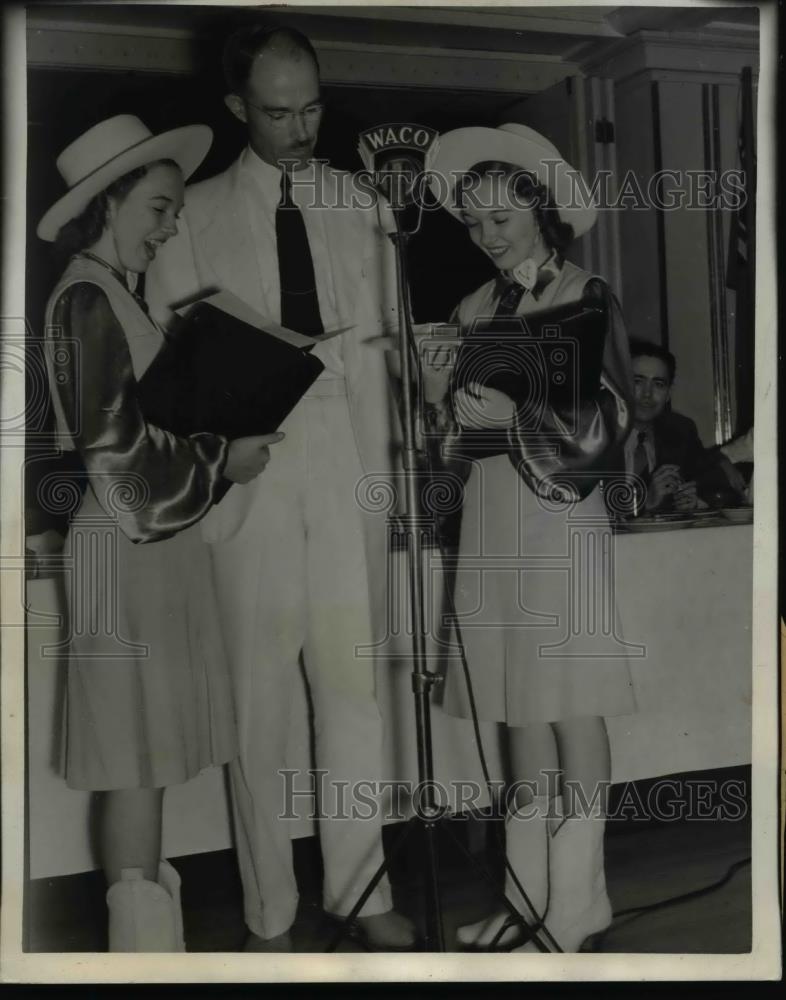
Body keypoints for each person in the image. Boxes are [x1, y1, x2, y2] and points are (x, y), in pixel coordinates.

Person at [146, 26, 415, 951]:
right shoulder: (194, 212)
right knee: (258, 708)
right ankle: (270, 912)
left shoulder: (367, 204)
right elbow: (172, 374)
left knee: (355, 694)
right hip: (253, 477)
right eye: (276, 112)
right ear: (235, 110)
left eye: (311, 108)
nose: (299, 130)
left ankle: (362, 891)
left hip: (351, 470)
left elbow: (388, 348)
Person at [36, 114, 280, 951]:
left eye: (173, 210)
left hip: (150, 546)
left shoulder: (112, 293)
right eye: (158, 208)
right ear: (109, 201)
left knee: (144, 763)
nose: (171, 225)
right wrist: (220, 457)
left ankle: (152, 953)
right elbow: (114, 456)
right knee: (133, 764)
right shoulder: (85, 296)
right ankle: (141, 963)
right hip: (125, 543)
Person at [422, 124, 636, 952]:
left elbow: (615, 420)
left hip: (561, 516)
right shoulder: (474, 308)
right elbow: (458, 439)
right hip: (492, 514)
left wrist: (523, 415)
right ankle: (525, 897)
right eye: (472, 222)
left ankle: (579, 900)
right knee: (516, 706)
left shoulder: (586, 291)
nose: (487, 235)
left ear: (540, 205)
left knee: (571, 699)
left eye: (500, 216)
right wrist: (446, 404)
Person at [623, 339, 743, 513]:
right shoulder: (594, 434)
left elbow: (722, 491)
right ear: (620, 384)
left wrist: (695, 502)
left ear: (668, 394)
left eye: (658, 384)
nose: (647, 394)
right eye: (637, 381)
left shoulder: (679, 430)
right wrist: (642, 502)